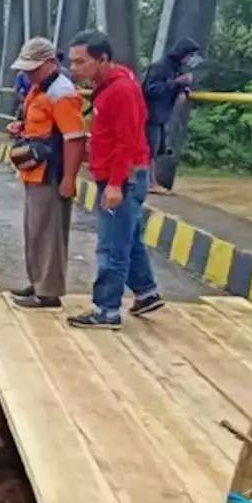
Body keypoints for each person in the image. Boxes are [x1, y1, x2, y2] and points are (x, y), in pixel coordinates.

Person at [67, 30, 164, 329]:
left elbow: (127, 140)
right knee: (129, 237)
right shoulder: (108, 85)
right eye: (72, 62)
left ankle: (106, 309)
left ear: (102, 59)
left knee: (111, 246)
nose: (74, 68)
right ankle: (146, 292)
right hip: (117, 172)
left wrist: (114, 183)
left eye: (81, 62)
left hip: (121, 176)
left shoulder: (121, 91)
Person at [2, 37, 87, 311]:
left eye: (33, 68)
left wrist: (68, 179)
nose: (28, 73)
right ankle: (38, 281)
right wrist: (21, 127)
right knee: (35, 230)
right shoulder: (40, 88)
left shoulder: (61, 93)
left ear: (50, 63)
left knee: (49, 233)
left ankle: (48, 292)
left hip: (52, 173)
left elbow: (74, 139)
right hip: (35, 172)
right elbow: (43, 126)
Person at [142, 37, 202, 193]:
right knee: (149, 150)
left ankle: (151, 182)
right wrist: (177, 82)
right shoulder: (160, 67)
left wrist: (183, 88)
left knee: (155, 151)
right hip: (151, 114)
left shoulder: (177, 68)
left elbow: (175, 86)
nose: (192, 59)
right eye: (191, 55)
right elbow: (150, 90)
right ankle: (149, 183)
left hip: (161, 115)